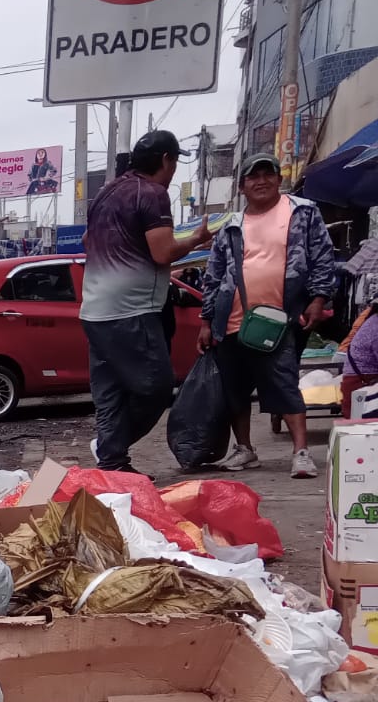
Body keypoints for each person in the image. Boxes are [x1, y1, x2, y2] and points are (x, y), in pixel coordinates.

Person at [80, 130, 212, 473]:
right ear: (167, 160)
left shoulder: (106, 192)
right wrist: (196, 240)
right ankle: (110, 447)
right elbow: (163, 251)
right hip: (132, 309)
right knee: (156, 387)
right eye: (174, 162)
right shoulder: (152, 194)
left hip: (94, 310)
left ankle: (112, 463)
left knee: (109, 391)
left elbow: (86, 240)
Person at [199, 153, 336, 478]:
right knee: (235, 389)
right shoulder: (231, 225)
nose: (261, 181)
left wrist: (318, 298)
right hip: (231, 320)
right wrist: (206, 320)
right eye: (253, 177)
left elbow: (322, 257)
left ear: (278, 178)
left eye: (267, 174)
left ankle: (301, 452)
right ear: (243, 186)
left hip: (280, 320)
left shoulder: (302, 211)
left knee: (284, 382)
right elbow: (214, 274)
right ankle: (244, 449)